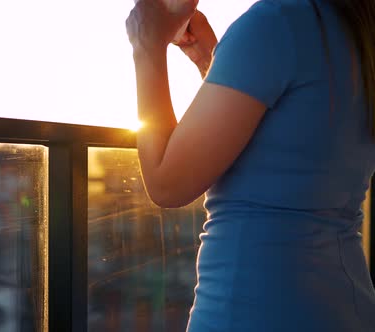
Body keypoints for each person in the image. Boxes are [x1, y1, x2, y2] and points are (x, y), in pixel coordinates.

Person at [125, 0, 375, 331]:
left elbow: (166, 182)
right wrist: (209, 61)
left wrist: (147, 45)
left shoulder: (276, 22)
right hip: (343, 307)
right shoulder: (353, 31)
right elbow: (291, 138)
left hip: (252, 308)